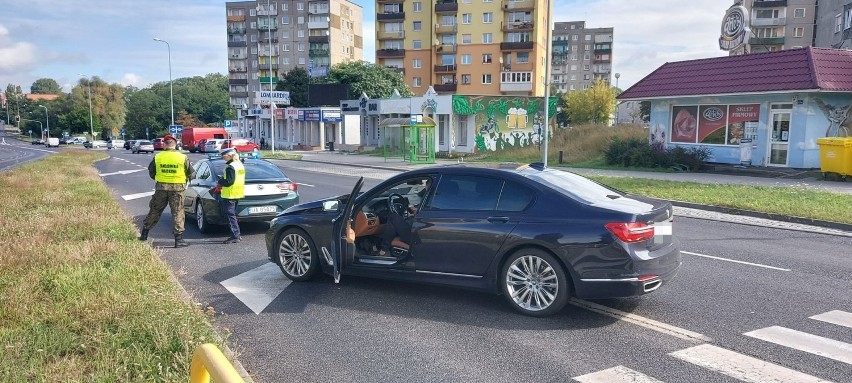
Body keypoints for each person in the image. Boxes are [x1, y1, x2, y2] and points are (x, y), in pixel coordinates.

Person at [139, 134, 195, 247]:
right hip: (178, 189)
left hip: (161, 188)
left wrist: (160, 179)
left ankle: (144, 235)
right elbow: (192, 174)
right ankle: (178, 240)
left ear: (164, 144)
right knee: (177, 212)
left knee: (154, 210)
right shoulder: (182, 157)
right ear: (175, 145)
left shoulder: (158, 157)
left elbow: (151, 172)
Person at [217, 147, 245, 244]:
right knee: (233, 215)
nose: (223, 158)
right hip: (237, 193)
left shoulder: (230, 167)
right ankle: (237, 235)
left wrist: (220, 181)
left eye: (224, 156)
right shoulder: (239, 165)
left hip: (229, 194)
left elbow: (229, 182)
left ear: (229, 156)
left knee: (230, 216)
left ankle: (235, 236)